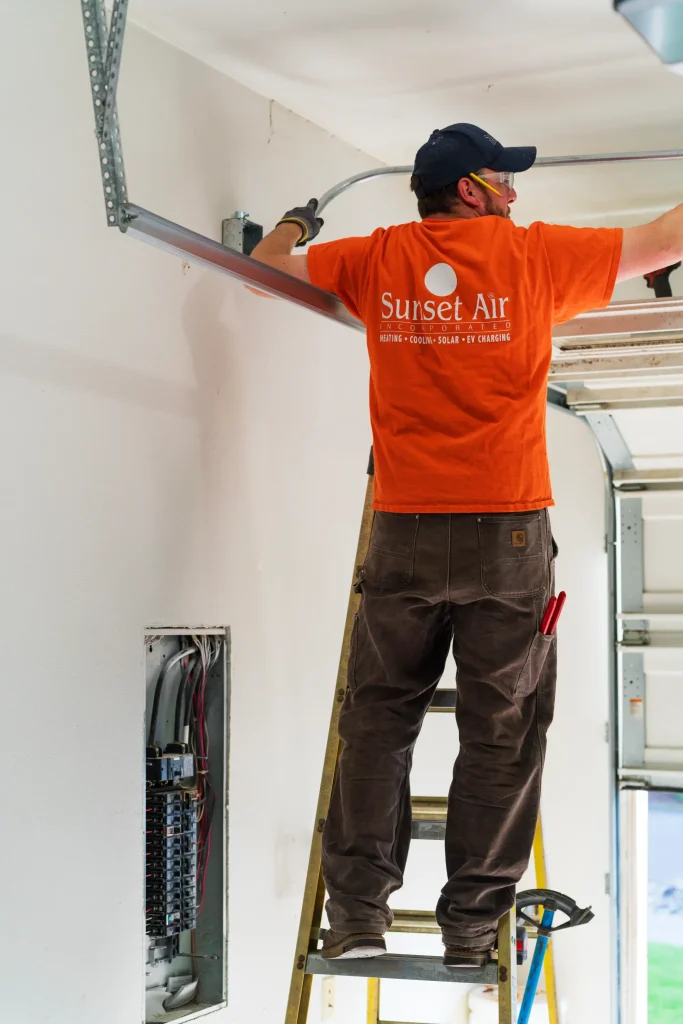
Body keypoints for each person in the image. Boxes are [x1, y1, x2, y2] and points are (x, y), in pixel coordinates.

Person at [251, 123, 682, 966]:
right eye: (502, 179)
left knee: (378, 723)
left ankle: (357, 920)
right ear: (470, 190)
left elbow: (263, 272)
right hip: (504, 531)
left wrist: (295, 226)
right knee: (502, 734)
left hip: (404, 527)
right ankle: (471, 930)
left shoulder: (374, 258)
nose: (514, 193)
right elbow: (668, 240)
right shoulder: (534, 256)